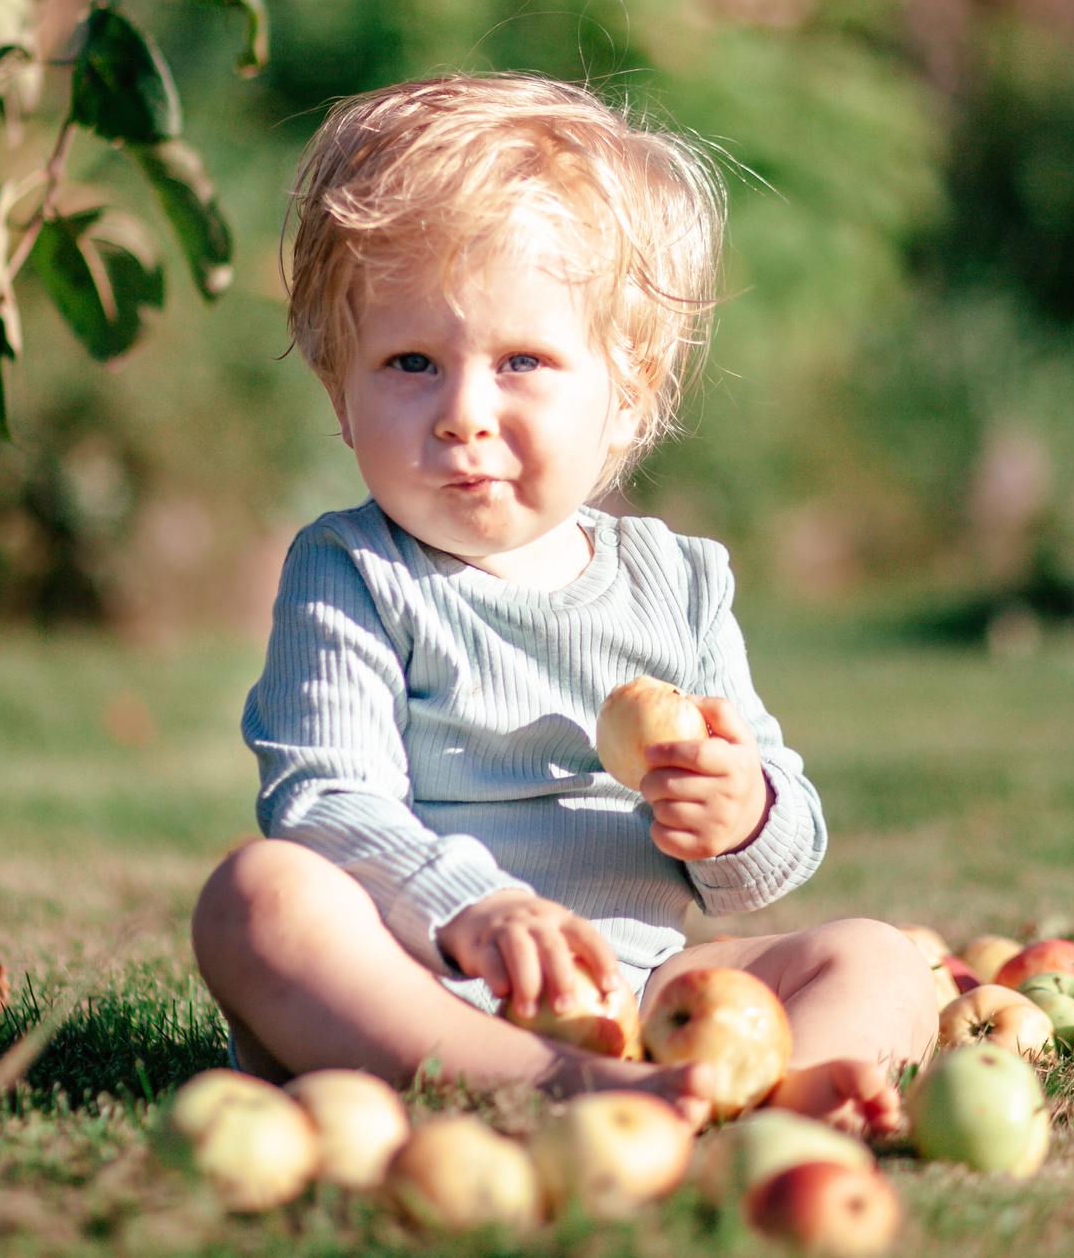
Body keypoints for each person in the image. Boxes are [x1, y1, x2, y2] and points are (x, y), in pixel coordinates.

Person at [191, 74, 938, 1134]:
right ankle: (564, 1090)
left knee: (880, 959)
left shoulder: (675, 585)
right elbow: (325, 803)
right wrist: (474, 908)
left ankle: (754, 1091)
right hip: (420, 991)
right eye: (410, 363)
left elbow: (766, 867)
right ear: (338, 389)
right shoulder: (354, 570)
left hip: (634, 1000)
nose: (462, 414)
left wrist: (739, 813)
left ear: (626, 392)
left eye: (522, 362)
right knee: (258, 899)